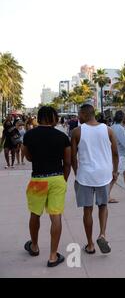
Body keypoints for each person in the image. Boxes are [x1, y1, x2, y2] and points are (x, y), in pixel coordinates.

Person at [21, 106, 71, 267]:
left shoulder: (29, 135)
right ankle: (52, 256)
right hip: (56, 178)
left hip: (38, 179)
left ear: (39, 117)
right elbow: (68, 162)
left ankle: (34, 246)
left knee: (35, 214)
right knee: (55, 216)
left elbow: (27, 156)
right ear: (54, 118)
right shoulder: (62, 136)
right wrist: (63, 179)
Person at [71, 104, 119, 255]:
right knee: (103, 206)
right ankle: (102, 234)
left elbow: (72, 156)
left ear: (85, 114)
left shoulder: (77, 131)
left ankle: (90, 244)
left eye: (79, 113)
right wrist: (115, 171)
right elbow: (116, 153)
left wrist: (76, 172)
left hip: (85, 175)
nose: (78, 116)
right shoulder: (108, 130)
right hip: (103, 175)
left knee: (87, 210)